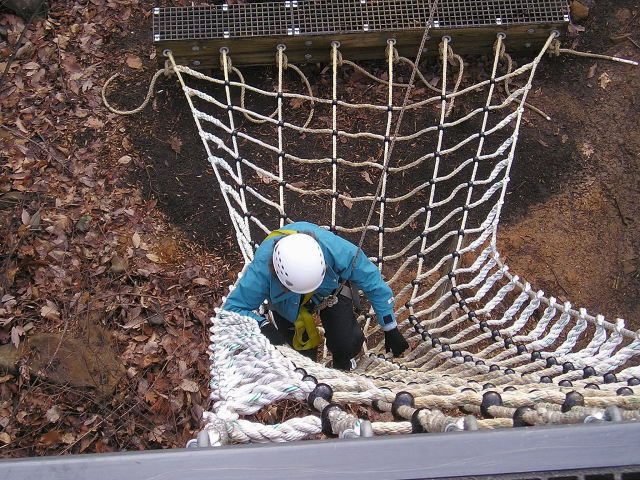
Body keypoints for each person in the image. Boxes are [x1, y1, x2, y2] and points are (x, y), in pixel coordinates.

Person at [222, 221, 409, 370]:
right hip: (285, 303)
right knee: (297, 359)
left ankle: (343, 365)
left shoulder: (333, 249)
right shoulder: (261, 271)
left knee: (347, 342)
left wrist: (389, 326)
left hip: (328, 292)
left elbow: (371, 278)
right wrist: (262, 326)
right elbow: (232, 309)